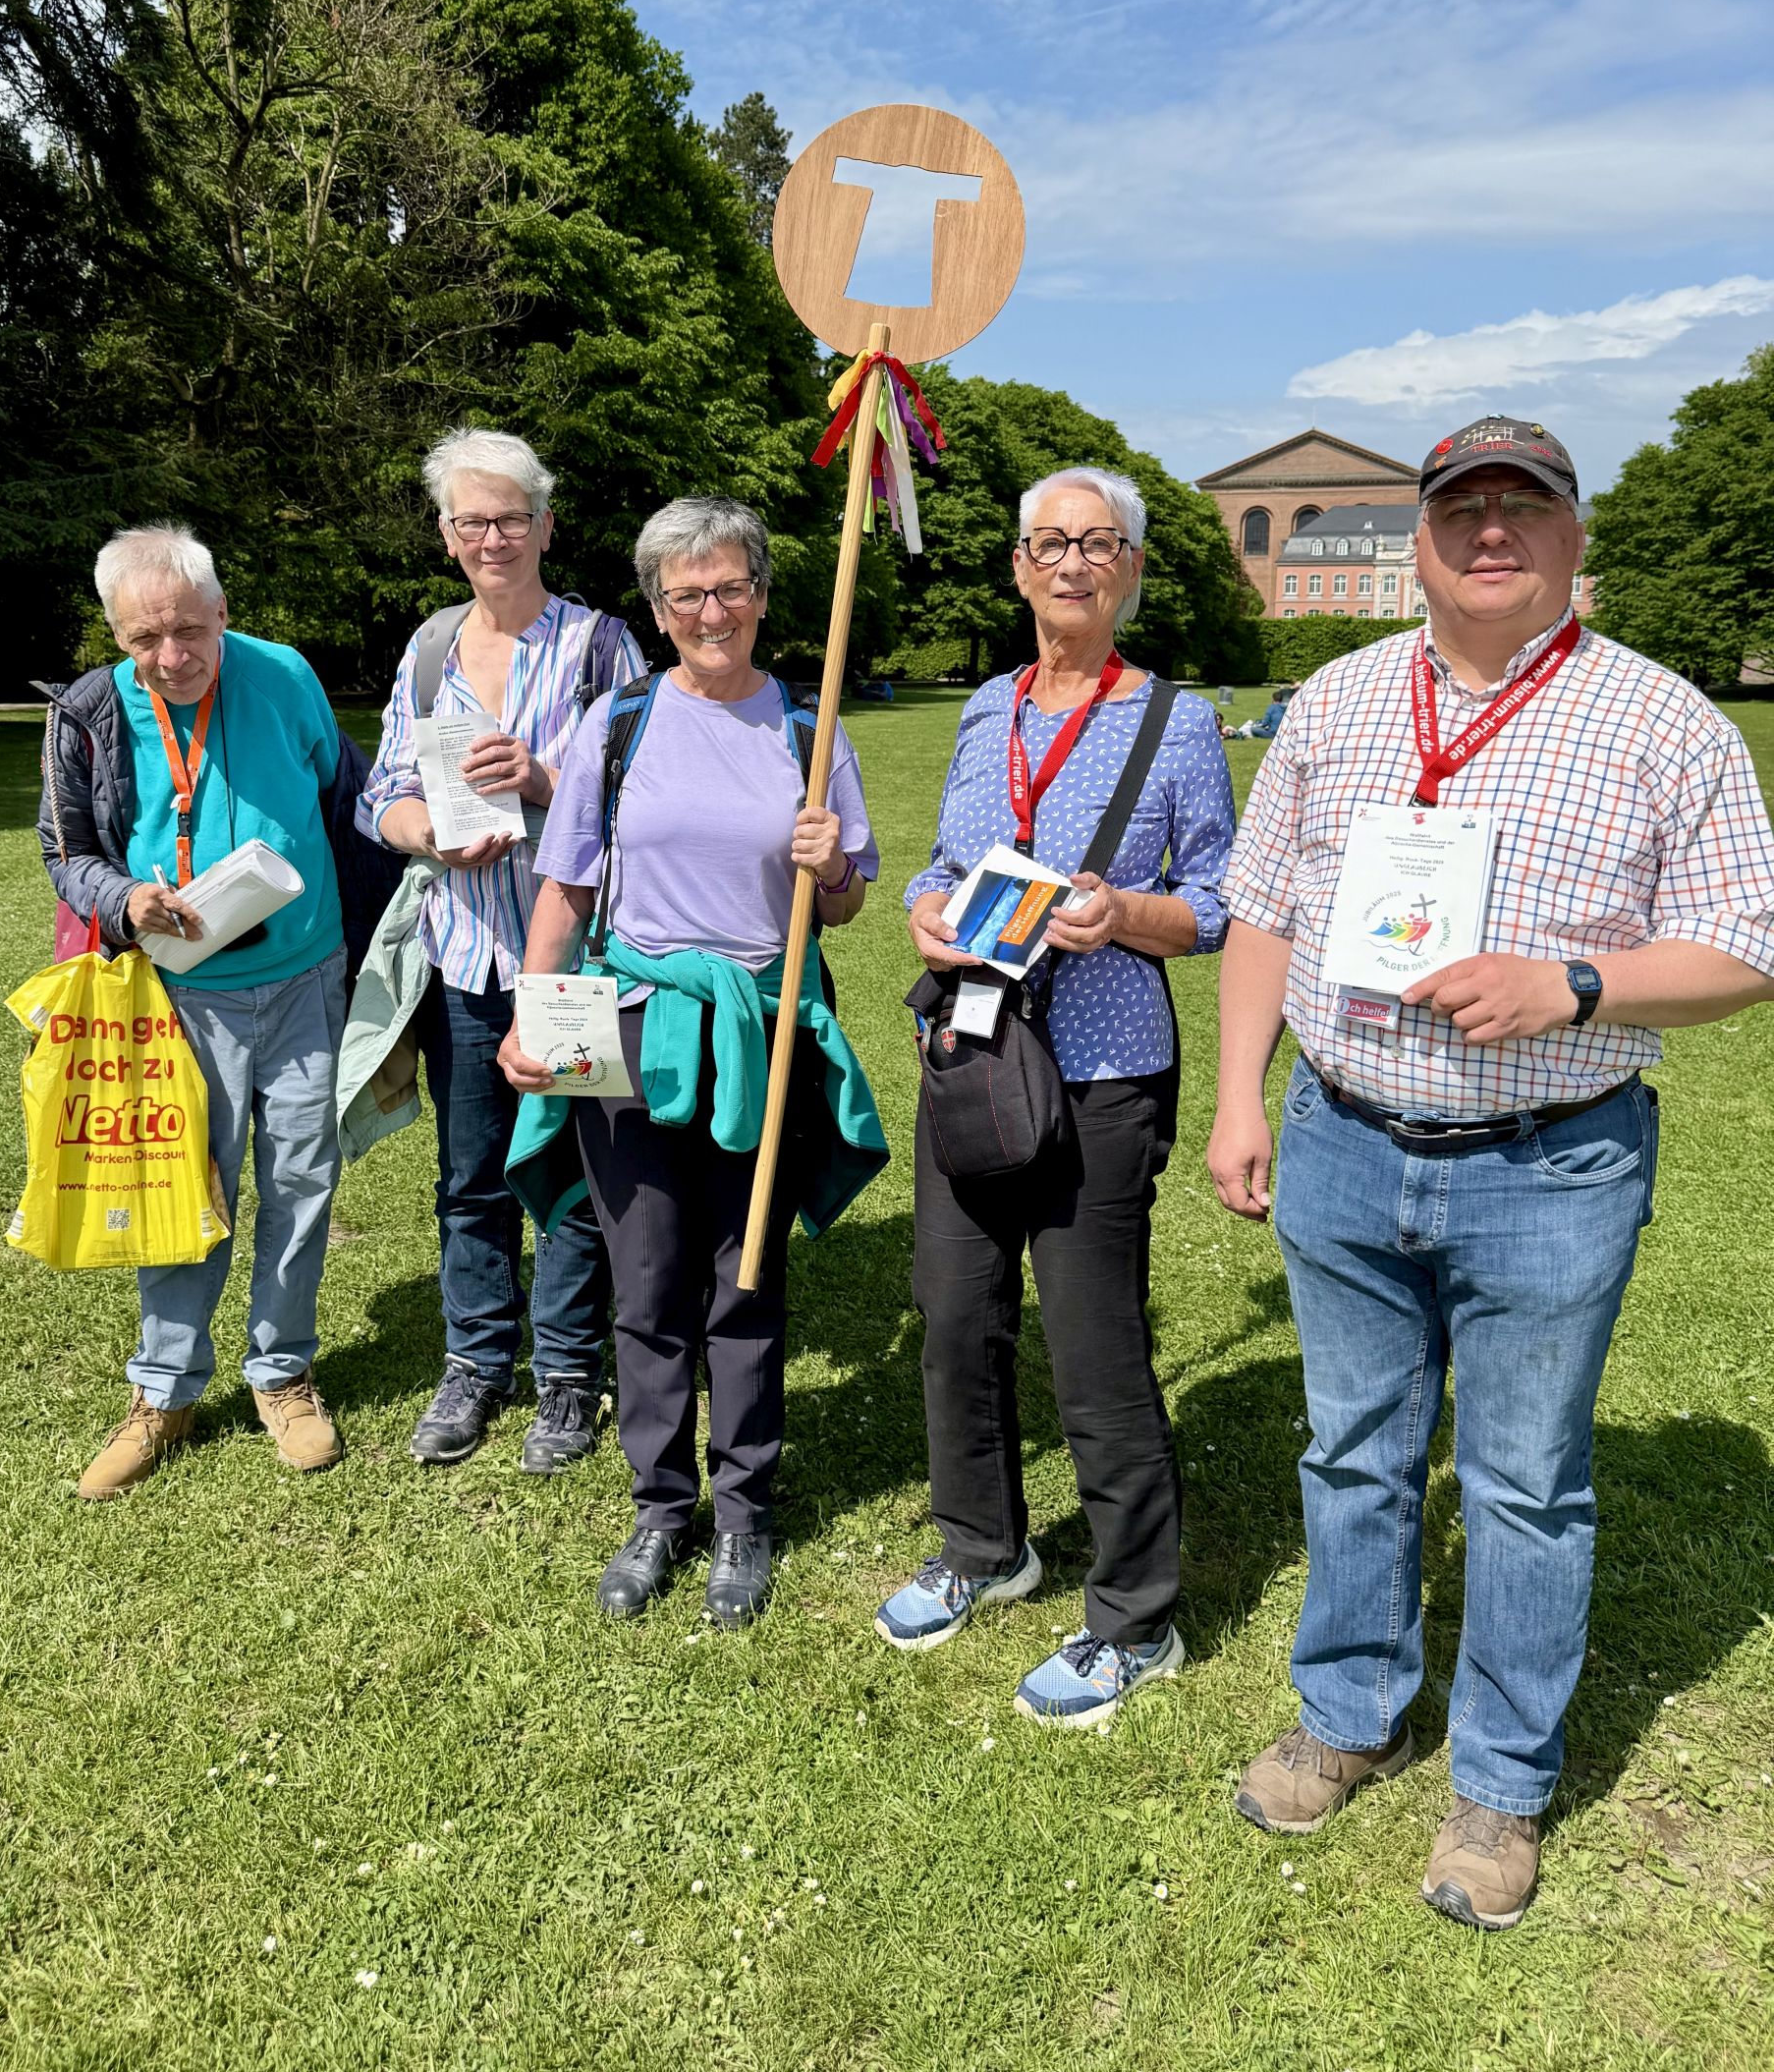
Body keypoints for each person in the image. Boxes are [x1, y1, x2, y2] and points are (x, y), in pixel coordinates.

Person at [1208, 415, 1774, 1931]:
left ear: (1575, 537)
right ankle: (1347, 1714)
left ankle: (1503, 1782)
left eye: (1527, 505)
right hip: (1340, 1140)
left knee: (1525, 1483)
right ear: (1422, 541)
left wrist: (1573, 986)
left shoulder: (1664, 721)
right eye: (1464, 508)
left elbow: (1744, 949)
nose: (1493, 530)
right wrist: (1240, 1096)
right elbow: (1262, 907)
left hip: (1550, 1167)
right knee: (1352, 1450)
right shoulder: (1335, 701)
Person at [876, 469, 1237, 1725]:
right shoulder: (989, 707)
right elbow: (942, 860)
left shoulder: (1175, 720)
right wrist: (926, 908)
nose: (1072, 561)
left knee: (1094, 1345)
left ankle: (1136, 1615)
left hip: (1103, 1069)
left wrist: (1122, 912)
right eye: (1049, 542)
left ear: (1130, 566)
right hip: (975, 1053)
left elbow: (1221, 901)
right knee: (953, 1314)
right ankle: (983, 1545)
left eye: (1098, 541)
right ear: (1019, 567)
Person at [499, 496, 887, 1629]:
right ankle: (662, 1505)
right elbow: (565, 887)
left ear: (761, 595)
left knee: (744, 1276)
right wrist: (530, 1014)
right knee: (647, 1278)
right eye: (686, 595)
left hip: (758, 1032)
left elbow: (846, 904)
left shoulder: (809, 728)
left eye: (729, 588)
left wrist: (834, 866)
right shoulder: (616, 725)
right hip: (629, 1026)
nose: (711, 611)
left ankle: (745, 1510)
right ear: (659, 609)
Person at [38, 526, 350, 1499]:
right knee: (180, 1189)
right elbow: (64, 849)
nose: (171, 657)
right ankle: (163, 1391)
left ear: (222, 611)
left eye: (187, 630)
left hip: (304, 976)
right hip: (174, 993)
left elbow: (341, 790)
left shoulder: (286, 673)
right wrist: (124, 896)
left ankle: (282, 1374)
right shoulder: (88, 710)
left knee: (301, 1180)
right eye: (144, 638)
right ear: (116, 633)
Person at [360, 428, 644, 1471]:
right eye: (471, 521)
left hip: (571, 964)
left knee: (569, 1167)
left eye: (511, 518)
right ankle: (476, 1361)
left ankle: (568, 1372)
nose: (493, 538)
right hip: (462, 957)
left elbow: (647, 796)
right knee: (472, 1172)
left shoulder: (602, 647)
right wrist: (426, 833)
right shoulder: (430, 649)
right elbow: (383, 793)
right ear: (447, 536)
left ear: (545, 527)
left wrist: (540, 779)